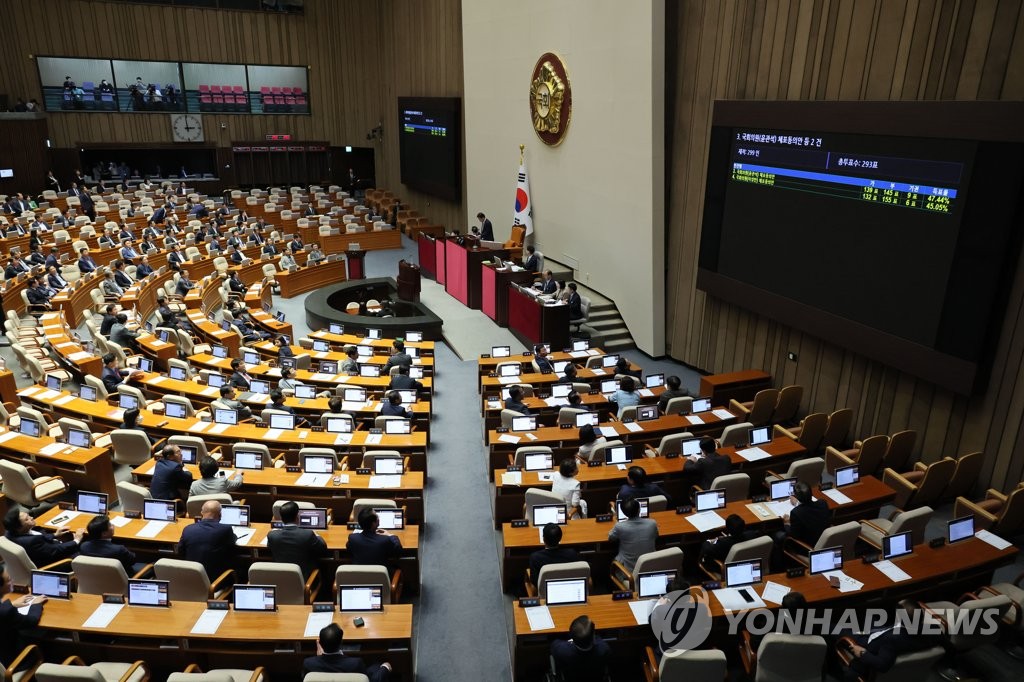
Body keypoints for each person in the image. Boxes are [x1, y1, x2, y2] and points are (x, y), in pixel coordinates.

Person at [303, 623, 392, 680]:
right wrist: (386, 667)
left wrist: (320, 658)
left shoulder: (309, 663)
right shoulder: (356, 663)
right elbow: (369, 679)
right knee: (377, 665)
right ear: (341, 643)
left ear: (320, 644)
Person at [267, 501, 329, 579]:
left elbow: (269, 546)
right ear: (297, 517)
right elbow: (323, 548)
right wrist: (316, 534)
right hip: (304, 578)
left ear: (281, 519)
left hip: (281, 578)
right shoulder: (307, 534)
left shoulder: (272, 535)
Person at [0, 565, 47, 668]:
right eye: (8, 580)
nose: (12, 581)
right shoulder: (5, 611)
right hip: (12, 662)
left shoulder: (5, 609)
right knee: (42, 632)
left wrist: (12, 604)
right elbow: (31, 621)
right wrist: (36, 604)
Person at [177, 500, 237, 579]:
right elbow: (232, 545)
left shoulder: (188, 529)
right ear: (220, 514)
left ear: (201, 513)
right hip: (216, 581)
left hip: (191, 579)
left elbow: (180, 551)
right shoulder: (225, 529)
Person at [3, 508, 82, 567]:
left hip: (42, 552)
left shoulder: (9, 532)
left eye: (28, 516)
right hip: (54, 562)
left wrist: (55, 535)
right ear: (19, 527)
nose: (32, 517)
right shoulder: (32, 541)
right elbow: (55, 551)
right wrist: (76, 540)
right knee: (83, 551)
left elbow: (38, 539)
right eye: (27, 519)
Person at [550, 615, 611, 681]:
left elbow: (554, 643)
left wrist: (568, 642)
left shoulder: (562, 650)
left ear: (571, 636)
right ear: (593, 636)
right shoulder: (604, 649)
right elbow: (598, 639)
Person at [608, 497, 658, 573]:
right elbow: (656, 536)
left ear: (623, 513)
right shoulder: (652, 523)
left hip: (628, 572)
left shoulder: (620, 526)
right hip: (650, 567)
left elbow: (611, 538)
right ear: (639, 509)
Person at [785, 481, 830, 547]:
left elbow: (794, 536)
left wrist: (786, 523)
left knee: (778, 536)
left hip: (807, 547)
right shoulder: (823, 503)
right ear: (811, 493)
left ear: (796, 496)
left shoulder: (796, 513)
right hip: (824, 541)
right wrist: (797, 503)